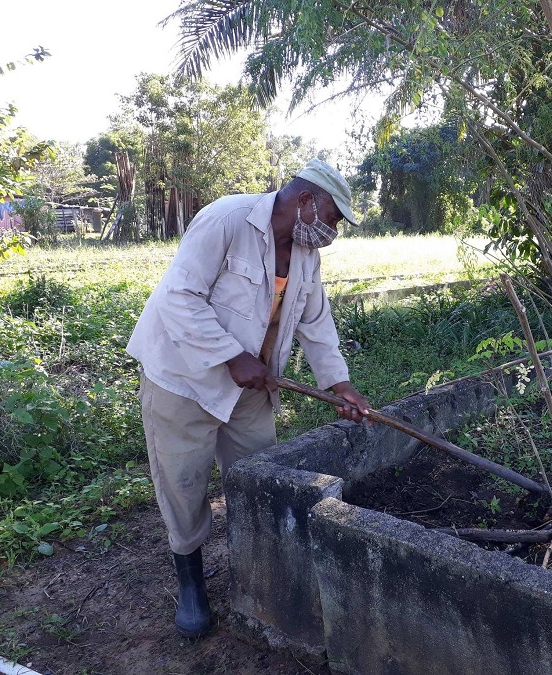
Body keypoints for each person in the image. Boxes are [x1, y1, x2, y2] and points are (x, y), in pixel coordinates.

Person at [126, 159, 370, 638]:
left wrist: (338, 384)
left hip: (252, 388)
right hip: (185, 379)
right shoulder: (226, 220)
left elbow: (315, 322)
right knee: (184, 483)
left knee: (260, 474)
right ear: (305, 202)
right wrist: (231, 355)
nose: (332, 232)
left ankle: (256, 565)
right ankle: (191, 579)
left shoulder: (305, 254)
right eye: (333, 218)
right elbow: (179, 296)